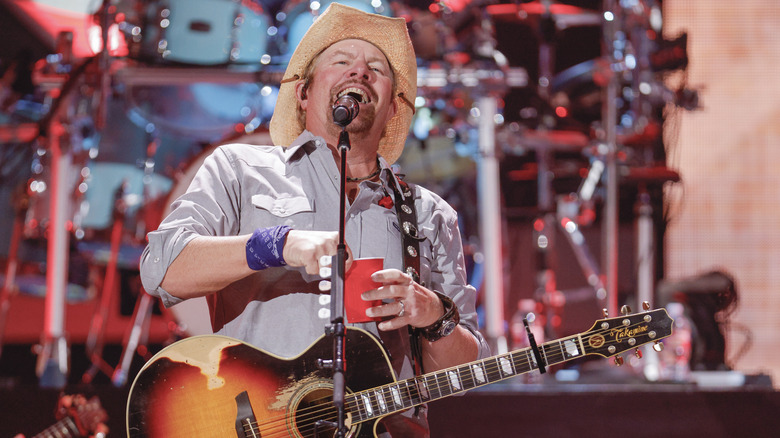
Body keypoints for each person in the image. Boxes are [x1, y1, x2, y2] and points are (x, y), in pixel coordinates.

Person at [139, 3, 490, 436]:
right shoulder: (239, 169)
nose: (359, 72)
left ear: (394, 110)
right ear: (304, 93)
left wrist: (434, 313)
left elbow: (457, 375)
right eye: (341, 61)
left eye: (376, 68)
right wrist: (275, 244)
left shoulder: (429, 214)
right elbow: (163, 269)